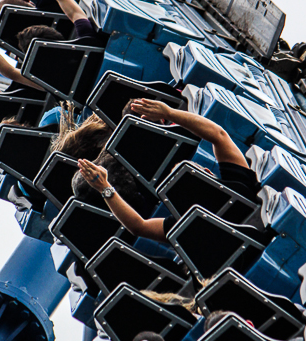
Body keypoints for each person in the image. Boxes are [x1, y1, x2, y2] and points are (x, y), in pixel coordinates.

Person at [77, 99, 261, 242]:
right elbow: (218, 134)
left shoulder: (188, 227)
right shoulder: (241, 187)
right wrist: (169, 113)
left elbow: (138, 227)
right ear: (208, 171)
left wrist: (105, 188)